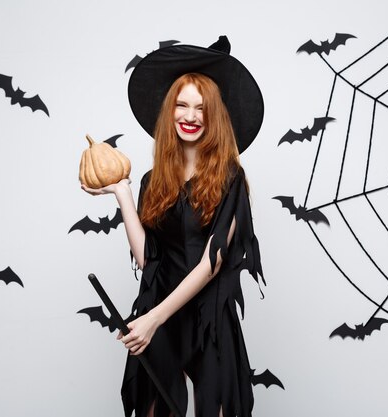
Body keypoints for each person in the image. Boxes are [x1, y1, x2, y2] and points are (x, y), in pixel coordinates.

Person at [82, 36, 265, 417]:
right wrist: (123, 193)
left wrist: (152, 319)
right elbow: (149, 259)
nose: (191, 115)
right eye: (182, 104)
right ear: (170, 112)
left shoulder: (230, 178)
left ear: (214, 116)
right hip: (159, 312)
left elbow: (211, 263)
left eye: (201, 108)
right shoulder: (154, 180)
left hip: (208, 318)